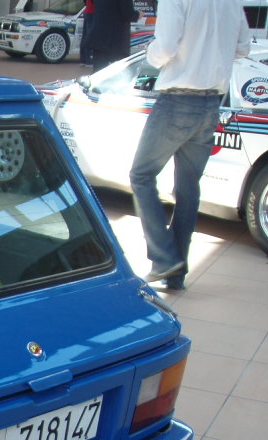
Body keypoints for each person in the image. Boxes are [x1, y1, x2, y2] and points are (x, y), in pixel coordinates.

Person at [129, 0, 251, 292]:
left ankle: (163, 257)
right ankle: (175, 273)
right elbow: (243, 48)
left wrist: (152, 54)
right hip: (211, 104)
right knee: (188, 189)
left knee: (141, 175)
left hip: (178, 99)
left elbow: (165, 48)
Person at [88, 0, 138, 71]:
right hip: (117, 39)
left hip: (99, 36)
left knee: (99, 72)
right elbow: (128, 14)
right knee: (121, 72)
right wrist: (138, 15)